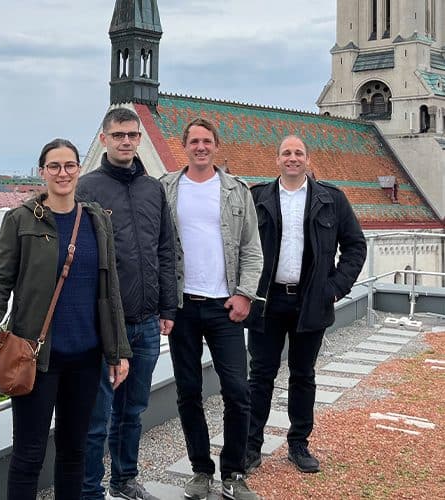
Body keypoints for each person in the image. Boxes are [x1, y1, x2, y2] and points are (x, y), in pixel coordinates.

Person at [0, 139, 132, 500]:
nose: (63, 173)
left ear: (79, 170)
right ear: (42, 171)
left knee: (75, 452)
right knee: (29, 454)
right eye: (54, 166)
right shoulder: (21, 220)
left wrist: (119, 350)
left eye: (70, 166)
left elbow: (111, 291)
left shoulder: (95, 220)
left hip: (86, 358)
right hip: (36, 357)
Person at [245, 136, 366, 474]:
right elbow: (239, 246)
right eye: (286, 153)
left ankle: (298, 444)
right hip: (267, 302)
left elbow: (355, 247)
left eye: (298, 153)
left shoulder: (331, 200)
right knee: (260, 376)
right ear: (277, 159)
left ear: (308, 160)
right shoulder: (259, 198)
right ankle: (251, 446)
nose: (293, 158)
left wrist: (334, 289)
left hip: (310, 301)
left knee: (303, 375)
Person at [76, 107, 177, 500]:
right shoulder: (87, 189)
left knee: (133, 410)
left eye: (132, 135)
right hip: (103, 321)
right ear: (104, 139)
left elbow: (166, 250)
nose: (126, 141)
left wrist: (168, 307)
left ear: (139, 139)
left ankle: (124, 479)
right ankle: (89, 489)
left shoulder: (154, 189)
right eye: (118, 135)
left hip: (147, 320)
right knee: (97, 415)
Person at [160, 118, 263, 500]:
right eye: (194, 141)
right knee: (189, 392)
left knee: (237, 390)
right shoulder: (167, 188)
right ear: (184, 146)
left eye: (207, 141)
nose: (201, 147)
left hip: (225, 307)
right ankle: (201, 470)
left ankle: (233, 473)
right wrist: (163, 304)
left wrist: (244, 295)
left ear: (216, 146)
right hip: (183, 306)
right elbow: (159, 249)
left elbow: (252, 248)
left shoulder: (236, 190)